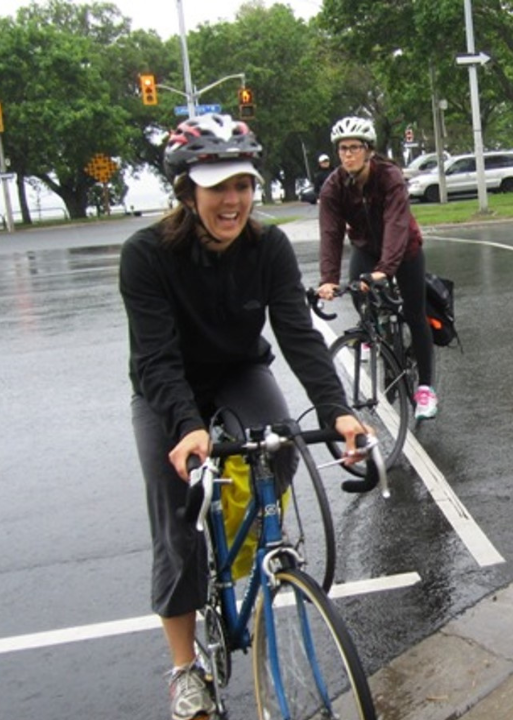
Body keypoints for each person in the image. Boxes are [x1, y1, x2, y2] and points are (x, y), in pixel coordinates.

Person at [119, 113, 368, 720]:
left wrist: (337, 412)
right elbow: (155, 358)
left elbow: (299, 337)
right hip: (167, 389)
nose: (233, 201)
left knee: (281, 449)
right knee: (177, 524)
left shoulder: (268, 246)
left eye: (244, 185)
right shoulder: (145, 255)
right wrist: (187, 426)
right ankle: (184, 670)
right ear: (187, 190)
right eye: (218, 187)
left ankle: (241, 548)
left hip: (238, 371)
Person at [317, 115, 438, 420]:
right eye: (342, 148)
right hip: (366, 249)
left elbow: (396, 224)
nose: (348, 154)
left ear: (369, 149)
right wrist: (328, 279)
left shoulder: (389, 177)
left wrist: (386, 269)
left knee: (414, 314)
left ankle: (426, 389)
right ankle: (377, 332)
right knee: (358, 290)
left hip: (405, 250)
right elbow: (330, 233)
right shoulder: (333, 187)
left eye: (354, 147)